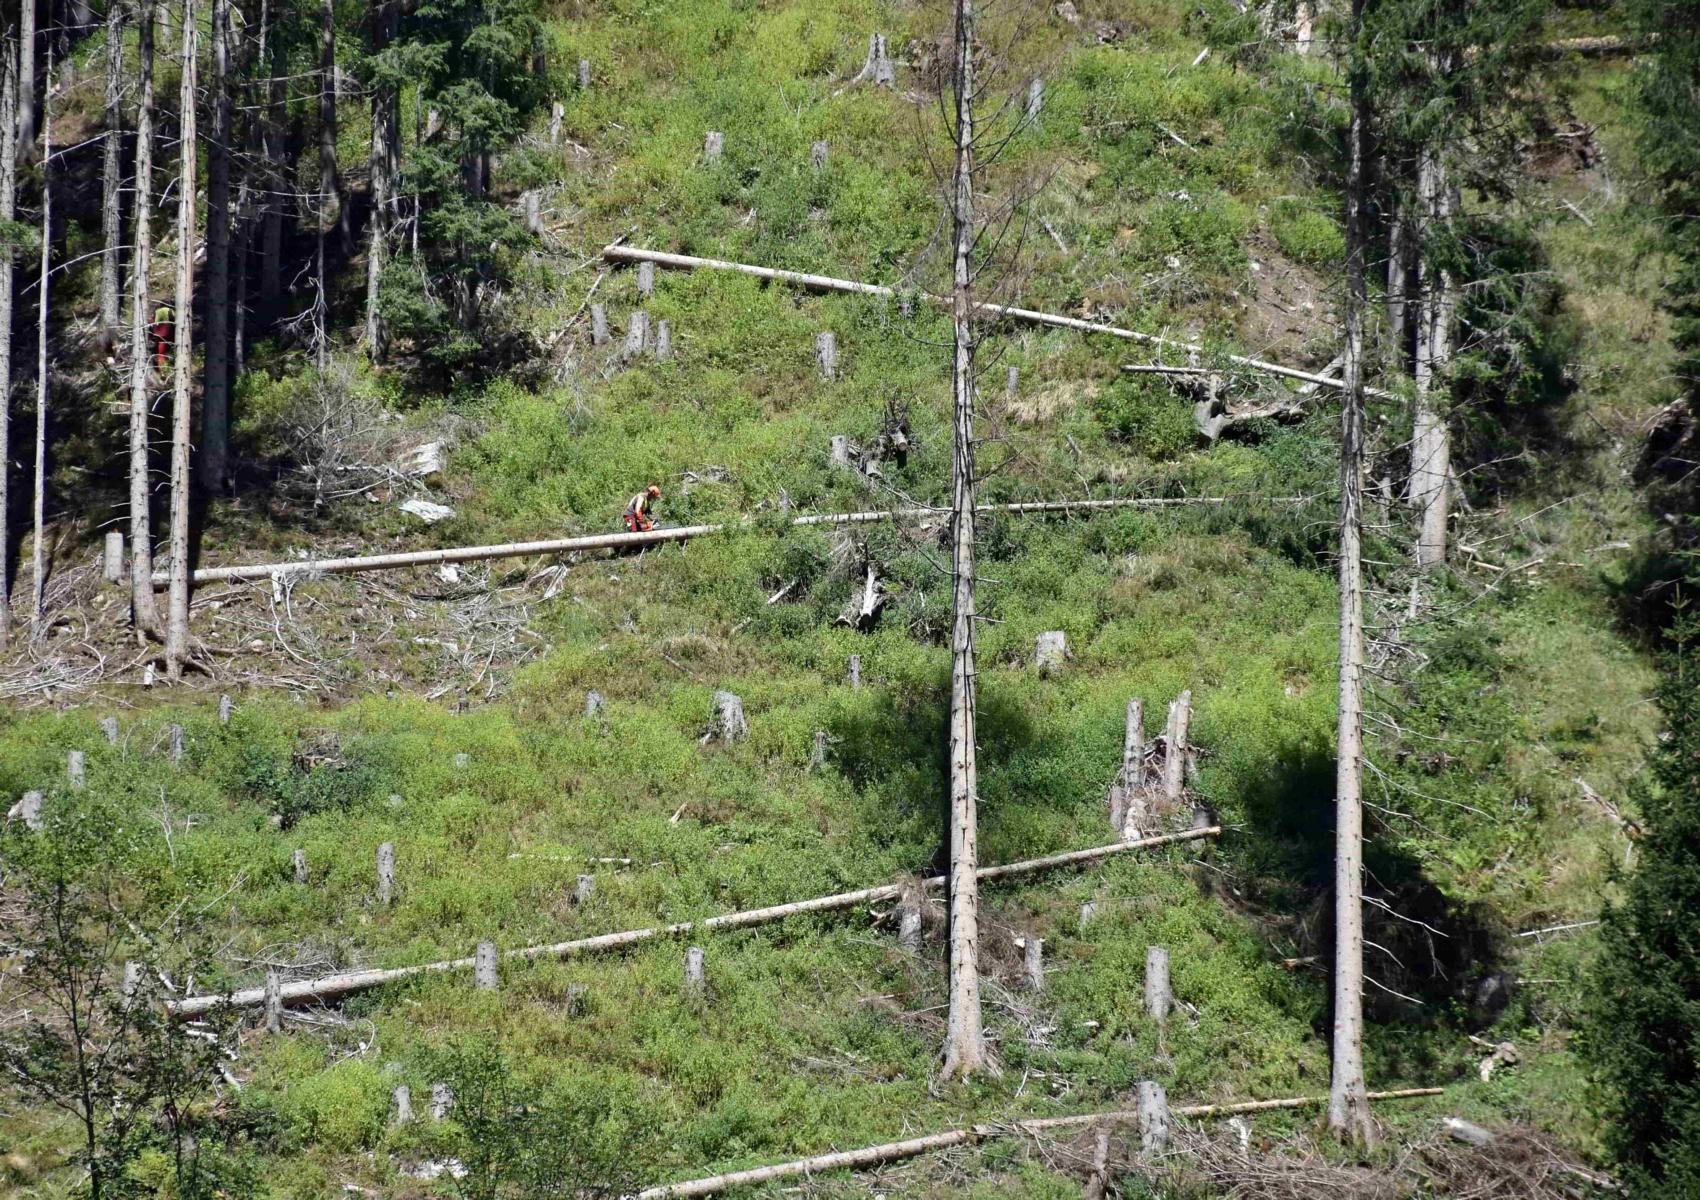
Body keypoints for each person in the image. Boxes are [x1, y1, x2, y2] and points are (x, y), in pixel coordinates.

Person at [152, 301, 174, 368]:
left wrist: (154, 333)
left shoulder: (158, 311)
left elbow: (156, 323)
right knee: (169, 349)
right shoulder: (171, 310)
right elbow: (174, 320)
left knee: (161, 352)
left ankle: (162, 369)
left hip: (160, 333)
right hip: (170, 332)